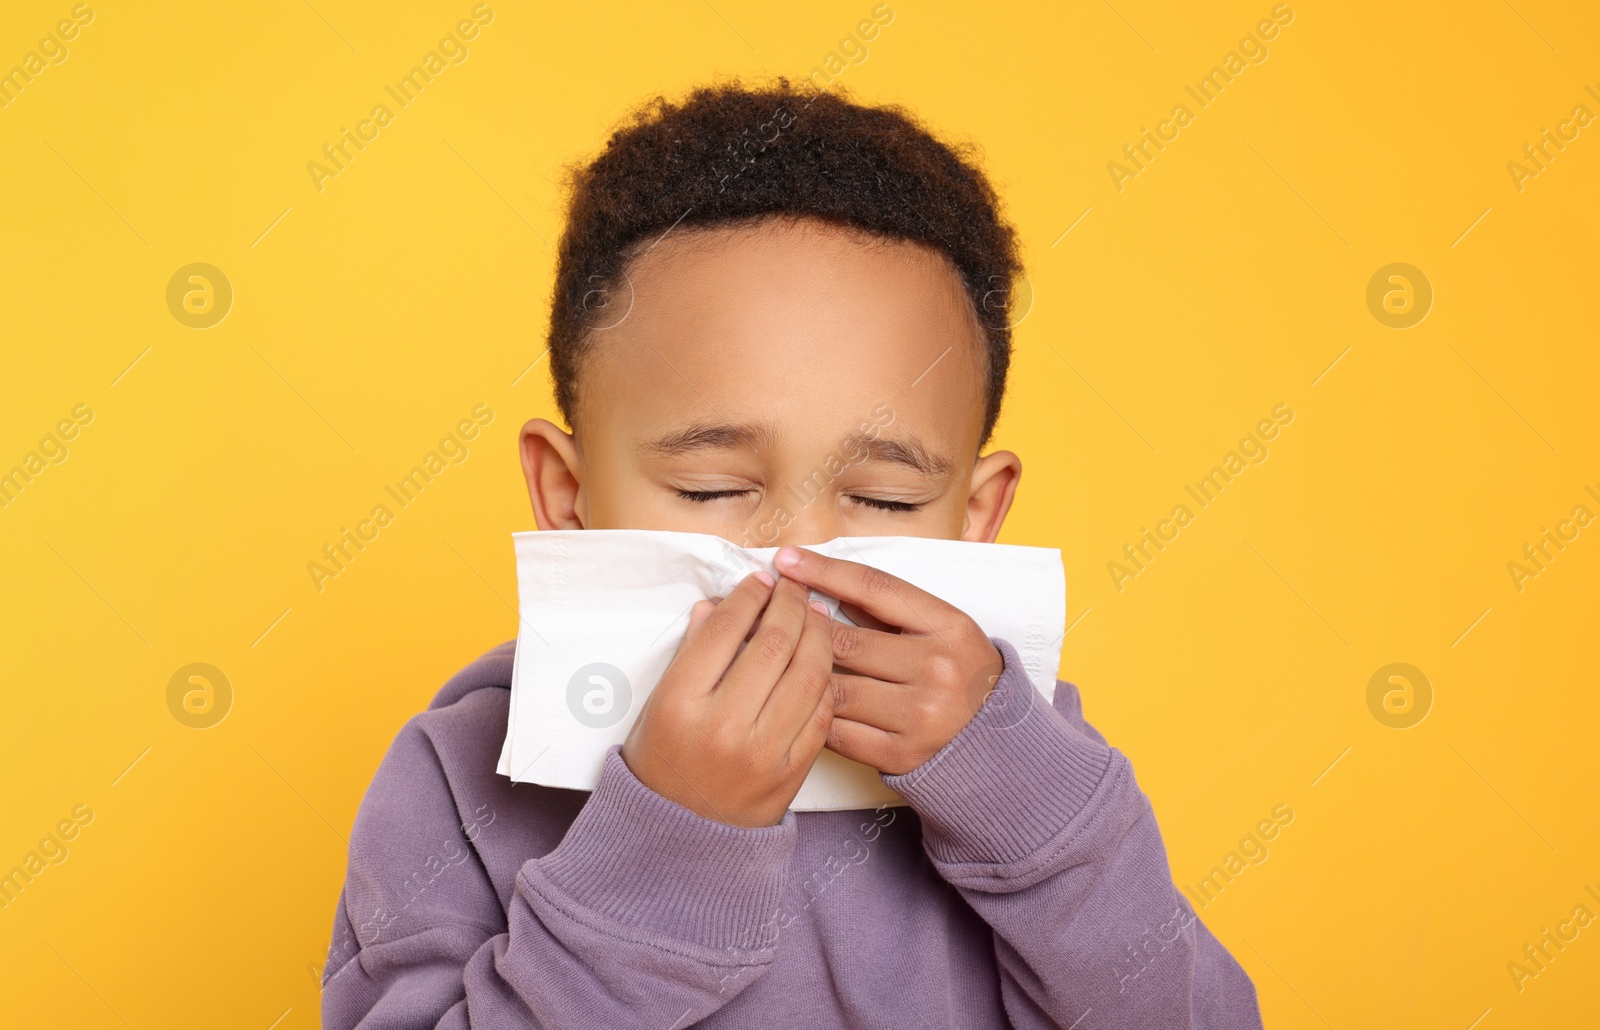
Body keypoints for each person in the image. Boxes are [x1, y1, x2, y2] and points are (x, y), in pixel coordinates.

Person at [322, 79, 1262, 1029]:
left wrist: (1027, 809)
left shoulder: (1030, 762)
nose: (796, 557)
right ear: (567, 494)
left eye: (885, 498)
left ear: (976, 518)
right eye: (712, 489)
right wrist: (666, 848)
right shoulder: (460, 777)